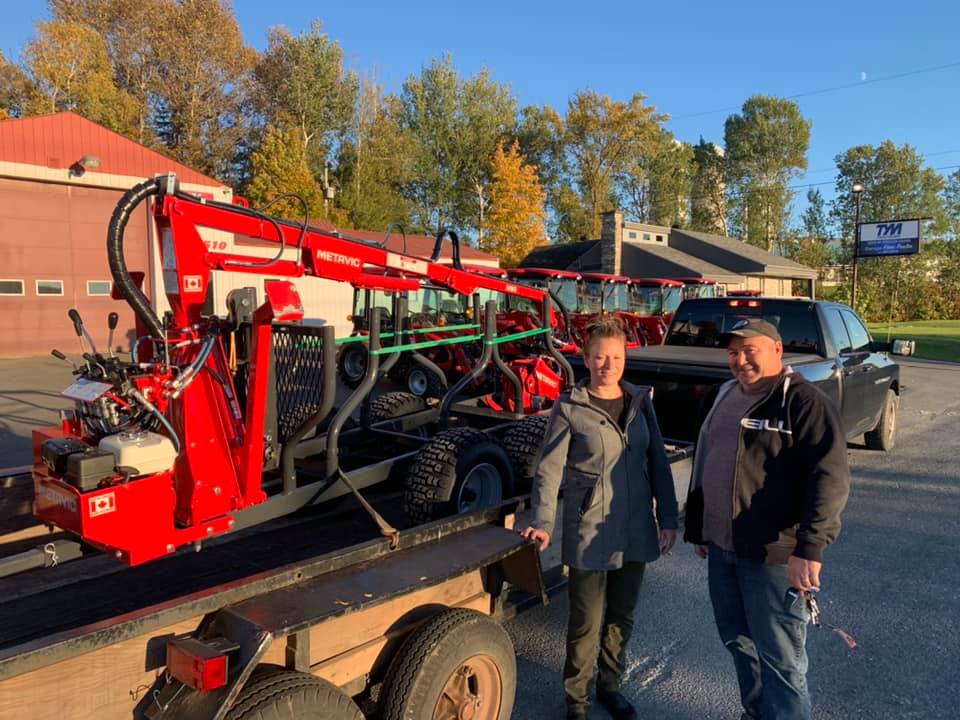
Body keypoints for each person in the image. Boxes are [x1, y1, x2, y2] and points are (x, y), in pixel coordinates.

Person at [684, 318, 851, 720]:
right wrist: (697, 528)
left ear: (777, 350)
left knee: (782, 657)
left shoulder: (803, 402)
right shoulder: (725, 394)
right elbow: (705, 461)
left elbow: (830, 476)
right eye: (733, 352)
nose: (741, 360)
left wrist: (810, 547)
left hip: (773, 555)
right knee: (738, 642)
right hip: (723, 548)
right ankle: (758, 713)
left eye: (750, 350)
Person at [521, 317, 678, 720]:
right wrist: (543, 520)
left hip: (635, 527)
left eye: (616, 356)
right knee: (586, 622)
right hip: (590, 529)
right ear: (586, 359)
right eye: (599, 357)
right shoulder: (571, 407)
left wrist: (669, 519)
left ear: (625, 358)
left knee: (621, 615)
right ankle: (577, 701)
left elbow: (658, 462)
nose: (608, 364)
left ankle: (610, 686)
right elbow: (549, 470)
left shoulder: (641, 403)